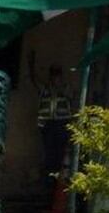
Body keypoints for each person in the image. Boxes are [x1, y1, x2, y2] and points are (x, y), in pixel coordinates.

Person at [28, 51, 73, 185]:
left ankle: (59, 181)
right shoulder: (45, 89)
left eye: (57, 75)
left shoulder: (65, 88)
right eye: (53, 75)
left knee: (60, 154)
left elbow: (70, 96)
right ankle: (49, 180)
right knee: (49, 154)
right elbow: (34, 81)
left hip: (61, 124)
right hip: (47, 125)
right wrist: (31, 65)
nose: (55, 78)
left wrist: (60, 88)